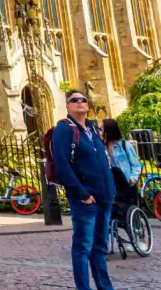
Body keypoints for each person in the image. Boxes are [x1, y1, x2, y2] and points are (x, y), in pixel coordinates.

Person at [51, 90, 115, 290]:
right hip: (85, 199)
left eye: (83, 99)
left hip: (104, 197)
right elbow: (62, 165)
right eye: (74, 100)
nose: (80, 102)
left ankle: (105, 287)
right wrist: (83, 193)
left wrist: (111, 190)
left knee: (100, 248)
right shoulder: (64, 129)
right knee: (83, 247)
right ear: (68, 106)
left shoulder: (93, 129)